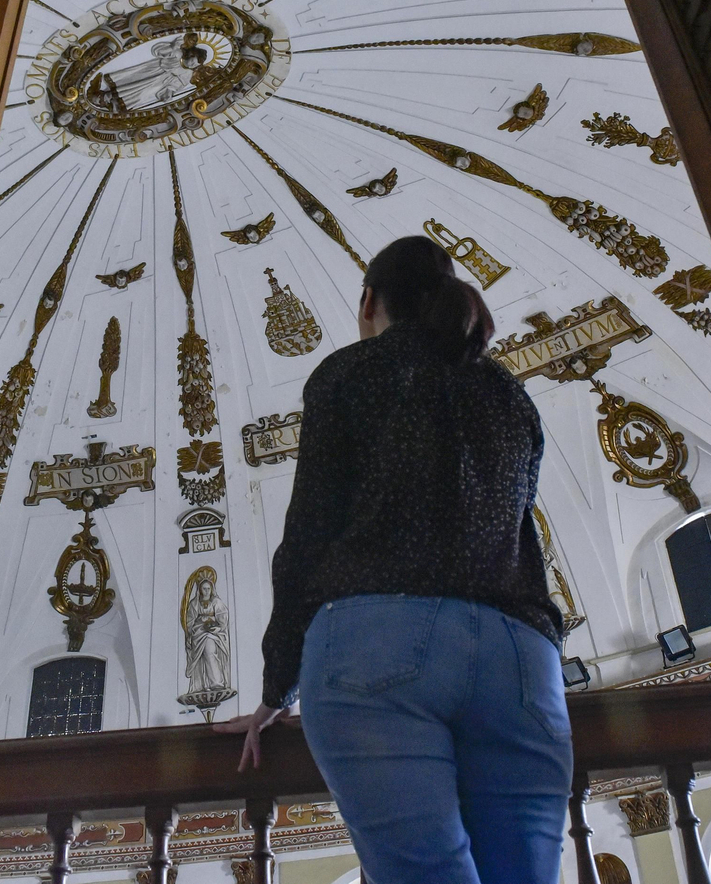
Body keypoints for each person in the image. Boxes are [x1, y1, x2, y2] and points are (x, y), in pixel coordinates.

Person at [215, 237, 571, 884]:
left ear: (370, 302)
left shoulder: (350, 373)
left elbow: (309, 532)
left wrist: (277, 687)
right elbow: (520, 533)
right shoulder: (508, 392)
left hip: (376, 644)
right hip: (522, 659)